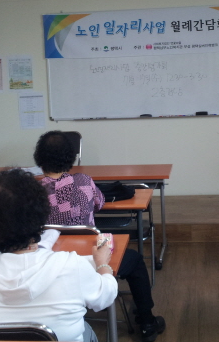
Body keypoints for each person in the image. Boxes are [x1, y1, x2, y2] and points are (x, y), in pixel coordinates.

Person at [34, 130, 166, 342]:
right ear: (70, 158)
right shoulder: (84, 181)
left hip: (47, 262)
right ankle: (147, 322)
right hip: (91, 259)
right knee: (135, 260)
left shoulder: (32, 191)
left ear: (39, 160)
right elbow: (100, 202)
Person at [0, 168, 116, 342]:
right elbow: (105, 296)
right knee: (85, 328)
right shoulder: (71, 265)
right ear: (41, 212)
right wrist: (102, 264)